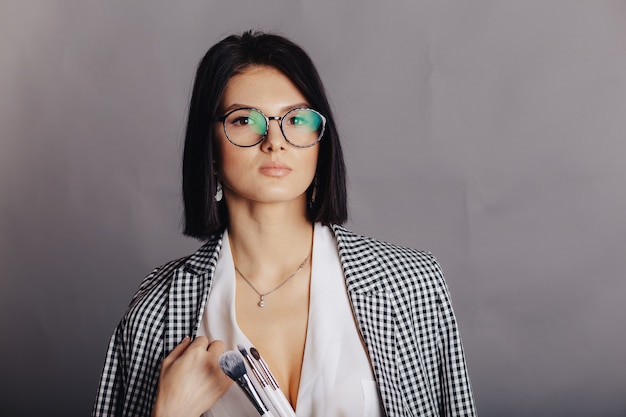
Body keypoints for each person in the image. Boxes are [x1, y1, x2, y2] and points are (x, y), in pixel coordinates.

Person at [93, 30, 476, 417]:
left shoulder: (411, 284)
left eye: (296, 118)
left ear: (320, 141)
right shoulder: (158, 307)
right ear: (208, 147)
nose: (274, 140)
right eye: (244, 119)